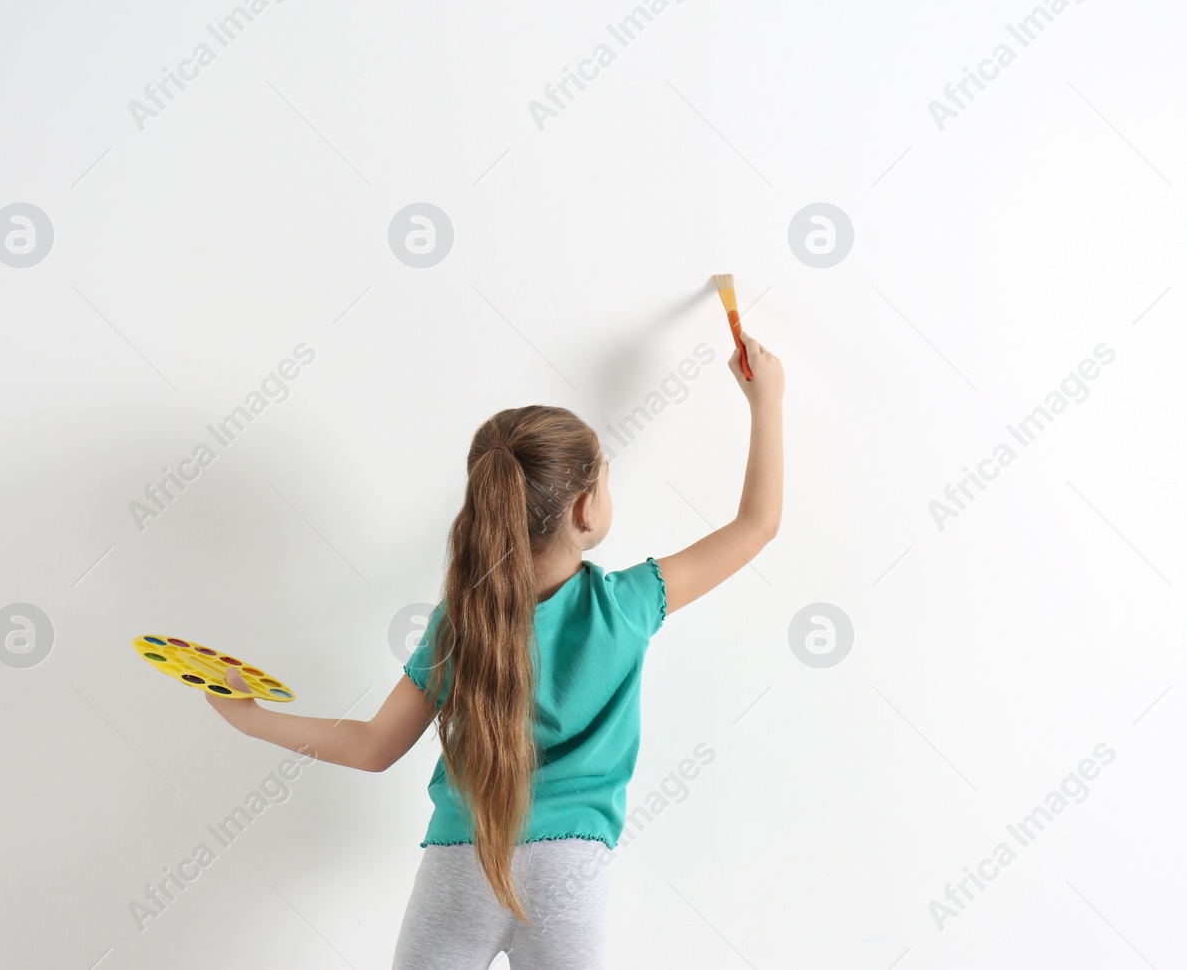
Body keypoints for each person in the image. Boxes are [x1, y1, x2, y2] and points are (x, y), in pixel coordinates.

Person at [206, 330, 783, 968]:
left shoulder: (461, 623)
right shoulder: (628, 604)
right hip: (571, 870)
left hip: (461, 861)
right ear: (586, 509)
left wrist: (250, 717)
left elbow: (374, 748)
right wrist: (767, 403)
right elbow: (757, 524)